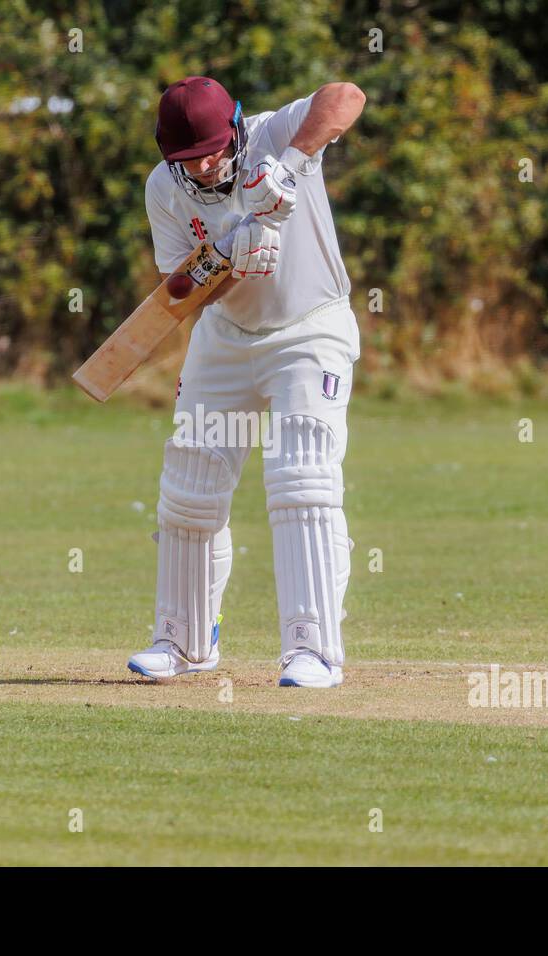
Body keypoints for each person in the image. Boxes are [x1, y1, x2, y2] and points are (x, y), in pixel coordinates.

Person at [126, 76, 366, 688]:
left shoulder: (271, 133)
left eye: (211, 150)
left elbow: (346, 95)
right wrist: (235, 253)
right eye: (187, 159)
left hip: (311, 328)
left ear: (235, 127)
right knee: (189, 487)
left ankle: (311, 650)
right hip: (225, 337)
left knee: (301, 476)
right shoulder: (164, 190)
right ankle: (181, 642)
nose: (204, 167)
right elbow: (180, 290)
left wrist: (288, 168)